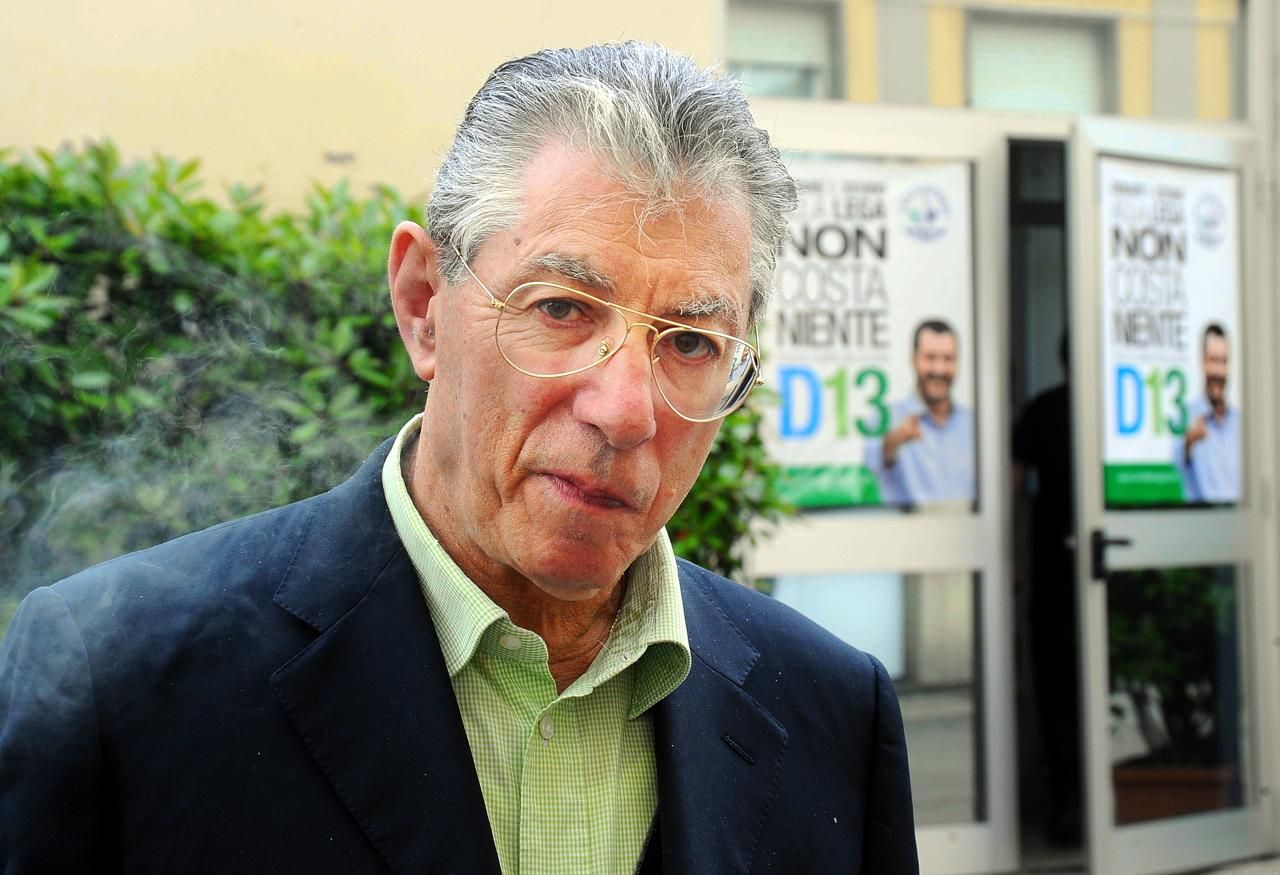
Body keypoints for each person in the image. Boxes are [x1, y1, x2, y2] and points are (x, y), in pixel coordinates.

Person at [0, 43, 918, 873]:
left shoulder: (834, 715)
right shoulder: (123, 684)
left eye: (689, 341)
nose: (626, 410)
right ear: (423, 304)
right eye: (561, 308)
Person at [1012, 333, 1080, 845]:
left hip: (1052, 574)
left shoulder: (1042, 411)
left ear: (1060, 359)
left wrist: (1008, 564)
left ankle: (1067, 806)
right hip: (1085, 575)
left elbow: (1009, 490)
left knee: (1056, 695)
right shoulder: (1106, 413)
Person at [864, 319, 975, 506]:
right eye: (930, 358)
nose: (939, 369)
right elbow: (870, 470)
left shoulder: (974, 423)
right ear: (913, 359)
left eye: (948, 359)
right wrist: (894, 442)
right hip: (909, 524)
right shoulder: (887, 417)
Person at [1175, 323, 1241, 503]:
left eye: (1224, 361)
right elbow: (1174, 476)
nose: (1219, 371)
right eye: (1213, 360)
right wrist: (1188, 445)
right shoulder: (1184, 419)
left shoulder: (1240, 424)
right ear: (1202, 361)